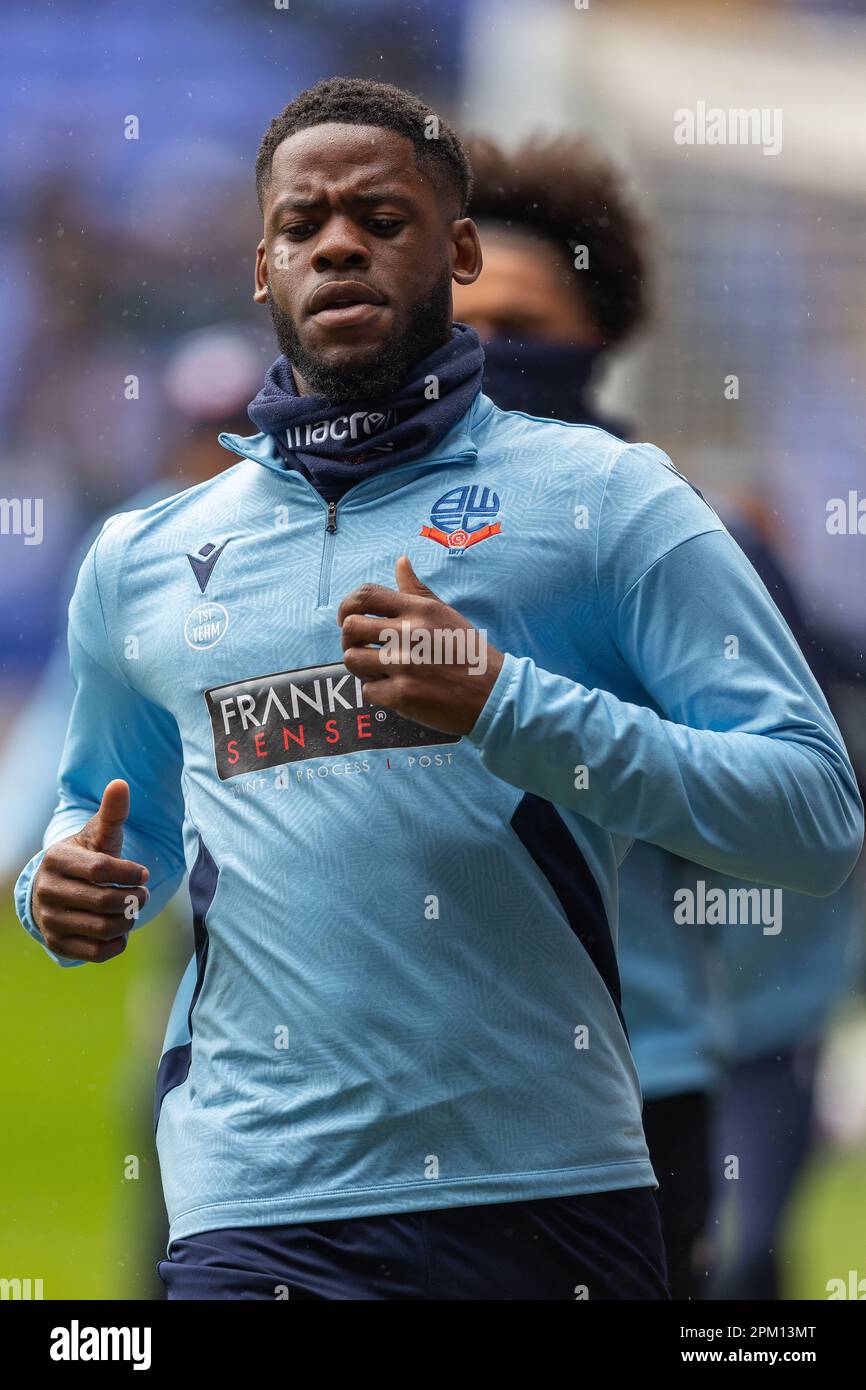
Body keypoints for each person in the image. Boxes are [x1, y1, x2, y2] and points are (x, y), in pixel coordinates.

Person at [14, 77, 863, 1302]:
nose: (338, 243)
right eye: (303, 225)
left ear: (456, 249)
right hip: (252, 1209)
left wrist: (506, 704)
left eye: (381, 215)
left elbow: (813, 816)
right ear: (261, 266)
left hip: (545, 1201)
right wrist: (63, 893)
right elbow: (107, 822)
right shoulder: (140, 561)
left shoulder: (608, 499)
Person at [454, 133, 725, 1299]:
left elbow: (793, 794)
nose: (490, 356)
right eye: (462, 328)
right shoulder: (314, 523)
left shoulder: (672, 533)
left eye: (523, 327)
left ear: (595, 340)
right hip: (377, 1113)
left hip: (626, 1086)